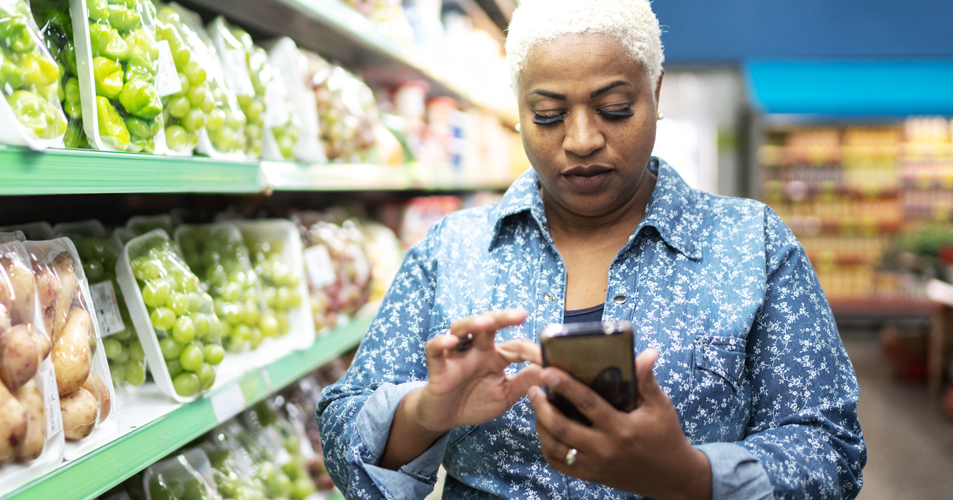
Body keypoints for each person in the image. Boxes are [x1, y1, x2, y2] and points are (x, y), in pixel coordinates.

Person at [314, 0, 867, 498]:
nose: (581, 140)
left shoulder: (753, 246)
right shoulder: (451, 250)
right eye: (548, 115)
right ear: (518, 109)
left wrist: (690, 477)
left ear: (655, 93)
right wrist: (424, 411)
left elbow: (832, 451)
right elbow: (340, 430)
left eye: (615, 108)